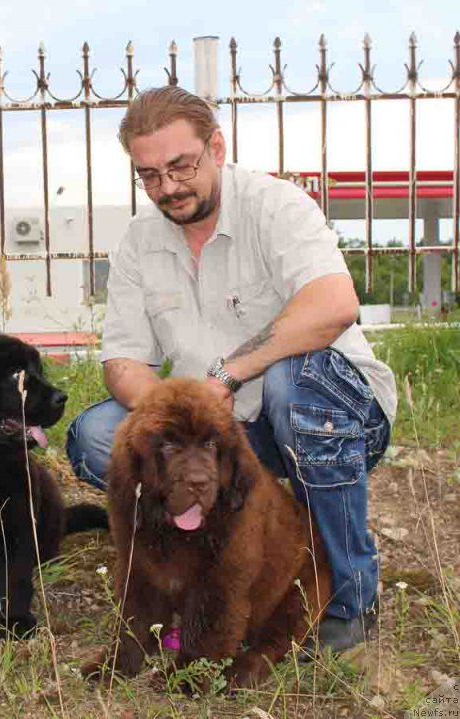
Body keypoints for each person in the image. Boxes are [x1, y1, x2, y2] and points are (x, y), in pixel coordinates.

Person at [66, 86, 397, 654]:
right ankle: (186, 574)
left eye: (180, 166)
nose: (167, 187)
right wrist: (181, 417)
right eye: (149, 175)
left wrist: (226, 377)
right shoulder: (140, 242)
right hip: (221, 439)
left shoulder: (276, 206)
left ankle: (348, 592)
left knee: (297, 387)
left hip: (330, 411)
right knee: (97, 436)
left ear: (217, 147)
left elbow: (334, 303)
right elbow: (122, 362)